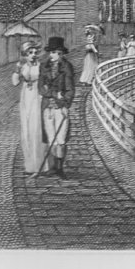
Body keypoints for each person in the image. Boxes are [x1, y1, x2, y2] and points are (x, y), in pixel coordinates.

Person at [39, 36, 76, 179]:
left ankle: (60, 168)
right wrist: (56, 94)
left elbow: (70, 89)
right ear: (50, 53)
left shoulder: (67, 67)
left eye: (60, 53)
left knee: (61, 139)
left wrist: (66, 104)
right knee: (51, 138)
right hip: (48, 107)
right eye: (55, 52)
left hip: (61, 108)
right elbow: (41, 89)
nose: (58, 56)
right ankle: (52, 167)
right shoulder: (44, 66)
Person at [11, 41, 46, 176]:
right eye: (30, 53)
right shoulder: (22, 66)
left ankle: (40, 165)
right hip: (26, 96)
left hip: (38, 96)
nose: (33, 55)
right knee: (26, 129)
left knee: (36, 127)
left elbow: (46, 81)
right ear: (25, 54)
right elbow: (14, 83)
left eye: (35, 52)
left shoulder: (41, 66)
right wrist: (17, 70)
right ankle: (30, 165)